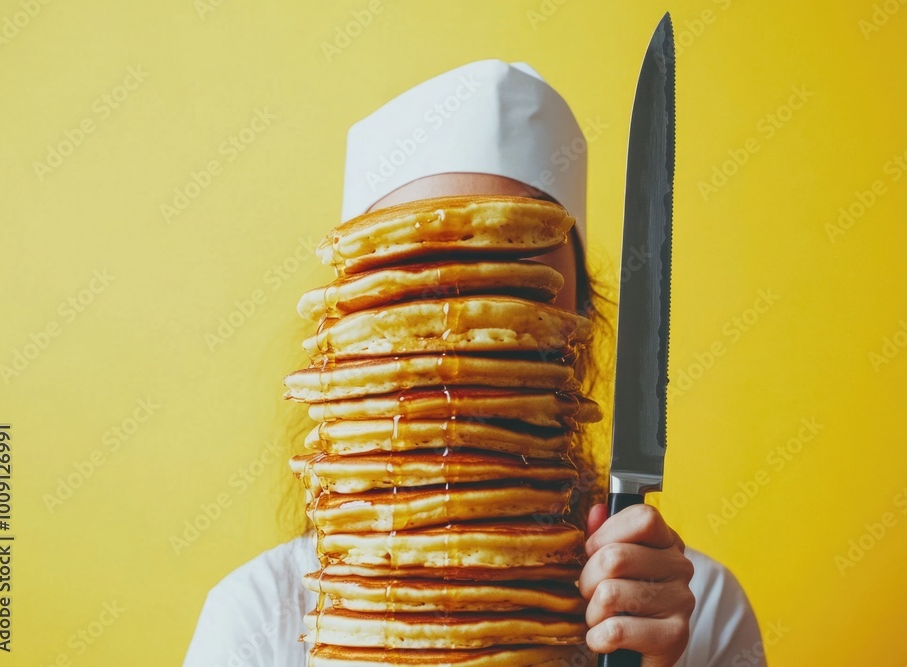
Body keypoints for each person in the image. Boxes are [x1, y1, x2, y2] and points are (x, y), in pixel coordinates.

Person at [185, 60, 765, 667]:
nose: (463, 333)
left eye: (516, 283)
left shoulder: (690, 616)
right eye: (418, 288)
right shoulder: (261, 619)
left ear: (579, 326)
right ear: (350, 327)